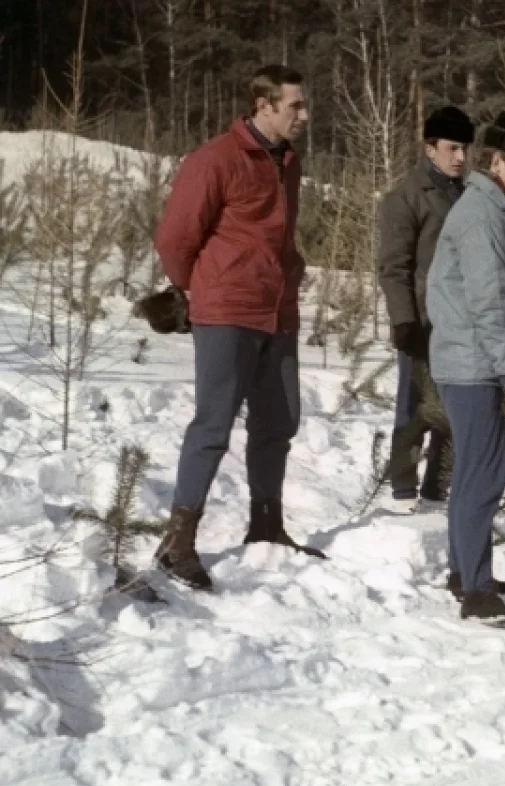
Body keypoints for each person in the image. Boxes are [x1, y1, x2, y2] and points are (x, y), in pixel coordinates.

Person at [152, 65, 319, 590]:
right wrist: (198, 290)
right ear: (263, 105)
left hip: (278, 310)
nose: (304, 115)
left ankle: (266, 524)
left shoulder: (288, 163)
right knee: (213, 424)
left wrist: (292, 267)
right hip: (226, 310)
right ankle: (178, 541)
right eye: (294, 105)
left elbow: (279, 234)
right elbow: (175, 239)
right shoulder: (213, 160)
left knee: (280, 420)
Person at [426, 109, 505, 626]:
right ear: (497, 160)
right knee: (485, 472)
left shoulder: (490, 208)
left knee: (478, 472)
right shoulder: (481, 216)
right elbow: (489, 303)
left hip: (469, 360)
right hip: (473, 363)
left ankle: (465, 573)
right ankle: (474, 591)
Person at [378, 106, 475, 513]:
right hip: (422, 320)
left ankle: (438, 489)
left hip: (462, 321)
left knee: (454, 408)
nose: (460, 158)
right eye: (452, 148)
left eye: (465, 149)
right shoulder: (406, 198)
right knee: (414, 405)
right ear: (430, 148)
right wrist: (404, 320)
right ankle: (402, 490)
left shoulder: (470, 196)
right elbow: (393, 265)